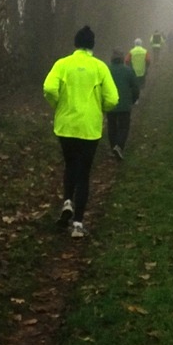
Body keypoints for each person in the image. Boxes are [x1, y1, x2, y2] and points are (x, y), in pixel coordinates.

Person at [43, 25, 119, 239]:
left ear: (75, 43)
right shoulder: (100, 67)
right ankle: (77, 224)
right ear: (93, 45)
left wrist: (57, 105)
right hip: (89, 128)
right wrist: (100, 109)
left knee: (69, 164)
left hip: (65, 126)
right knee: (84, 173)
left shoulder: (62, 64)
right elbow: (113, 98)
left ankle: (67, 200)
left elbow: (49, 88)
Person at [107, 50, 140, 160]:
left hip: (110, 104)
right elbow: (135, 88)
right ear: (122, 58)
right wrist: (133, 100)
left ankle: (113, 148)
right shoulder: (129, 70)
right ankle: (119, 146)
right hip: (125, 104)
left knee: (111, 126)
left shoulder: (106, 70)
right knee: (124, 126)